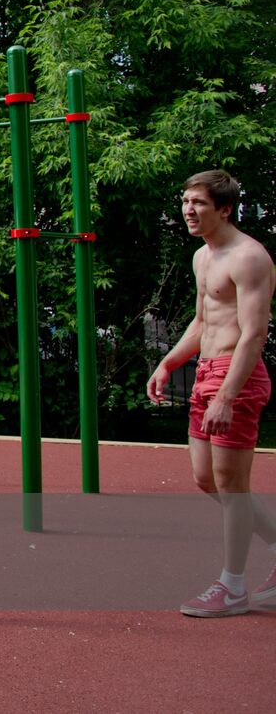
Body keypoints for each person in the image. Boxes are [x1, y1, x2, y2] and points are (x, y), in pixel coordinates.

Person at [145, 170, 276, 617]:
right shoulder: (204, 257)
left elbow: (253, 334)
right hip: (206, 372)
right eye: (185, 201)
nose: (188, 210)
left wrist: (226, 395)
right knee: (206, 479)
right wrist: (169, 361)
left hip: (236, 378)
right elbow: (203, 323)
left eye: (198, 203)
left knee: (233, 486)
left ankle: (232, 586)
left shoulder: (249, 258)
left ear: (224, 209)